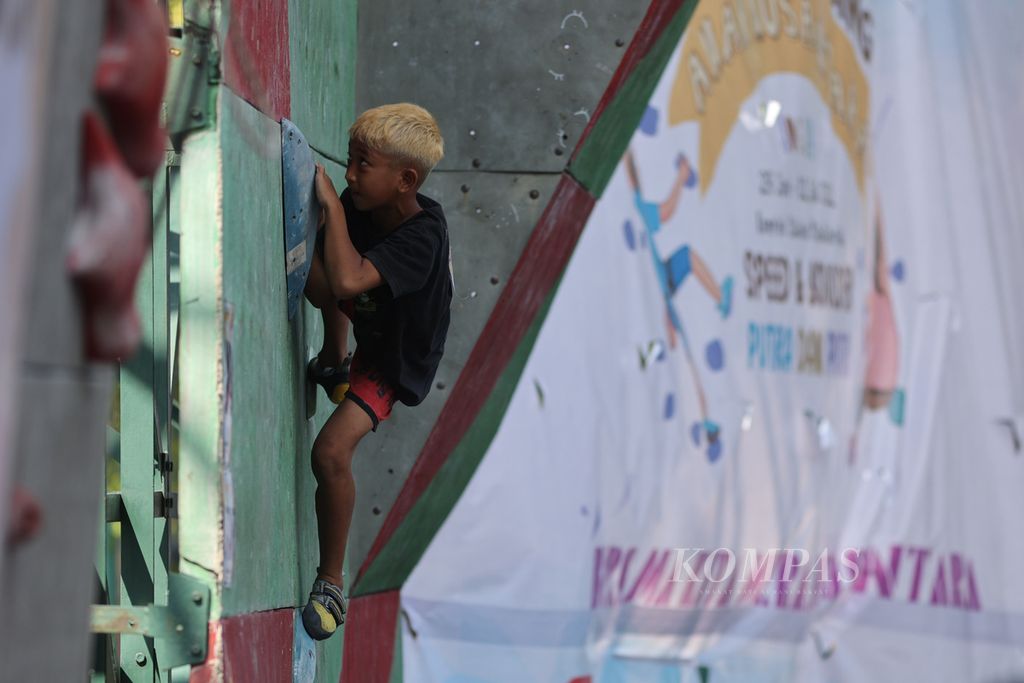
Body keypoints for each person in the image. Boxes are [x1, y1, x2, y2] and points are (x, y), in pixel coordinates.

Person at [300, 103, 451, 640]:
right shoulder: (365, 204)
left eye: (364, 165)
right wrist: (326, 223)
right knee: (317, 275)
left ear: (406, 180)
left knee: (330, 452)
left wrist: (331, 214)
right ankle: (333, 359)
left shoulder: (423, 236)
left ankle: (332, 581)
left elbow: (345, 282)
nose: (349, 175)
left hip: (393, 363)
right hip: (368, 317)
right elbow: (329, 283)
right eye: (349, 161)